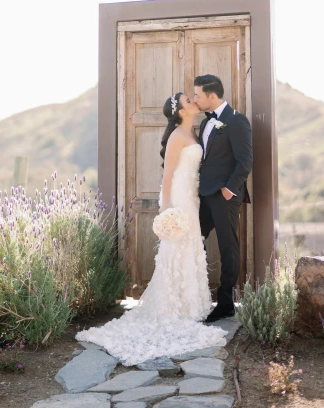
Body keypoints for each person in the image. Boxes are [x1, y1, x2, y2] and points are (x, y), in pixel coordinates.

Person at [75, 93, 227, 365]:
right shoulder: (177, 136)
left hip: (191, 196)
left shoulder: (191, 131)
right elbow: (167, 174)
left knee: (191, 245)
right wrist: (167, 207)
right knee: (177, 247)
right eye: (187, 101)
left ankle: (190, 303)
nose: (193, 101)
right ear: (180, 112)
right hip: (178, 197)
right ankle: (173, 305)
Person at [193, 74, 253, 323]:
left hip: (225, 195)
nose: (195, 99)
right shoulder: (206, 123)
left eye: (198, 95)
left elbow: (245, 161)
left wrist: (229, 190)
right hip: (204, 194)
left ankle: (226, 303)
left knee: (228, 246)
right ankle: (197, 293)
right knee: (194, 240)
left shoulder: (237, 121)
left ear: (212, 96)